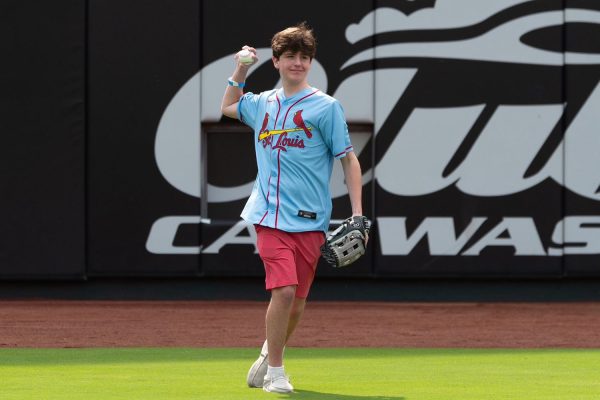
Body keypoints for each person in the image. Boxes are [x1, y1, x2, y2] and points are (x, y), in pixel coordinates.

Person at [220, 22, 364, 394]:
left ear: (310, 62)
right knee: (283, 292)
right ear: (277, 61)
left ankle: (270, 350)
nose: (297, 63)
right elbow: (228, 106)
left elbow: (348, 160)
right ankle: (277, 374)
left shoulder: (326, 107)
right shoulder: (262, 104)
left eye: (304, 57)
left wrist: (357, 213)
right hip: (267, 213)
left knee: (297, 301)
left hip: (311, 219)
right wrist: (241, 67)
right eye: (290, 57)